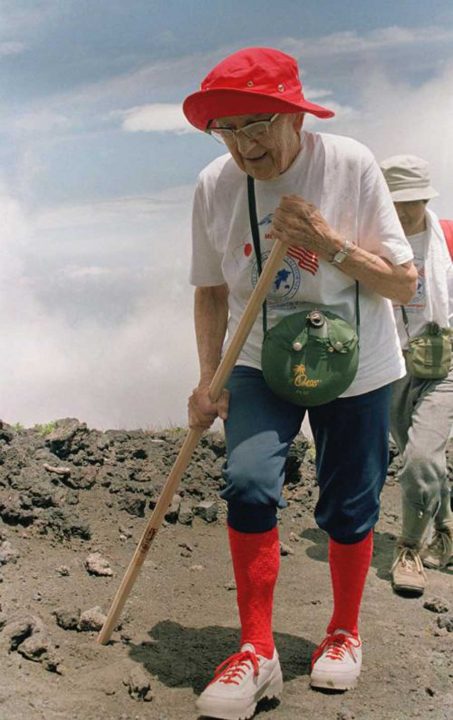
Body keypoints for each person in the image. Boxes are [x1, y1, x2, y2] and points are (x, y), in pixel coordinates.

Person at [182, 47, 417, 720]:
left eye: (258, 122)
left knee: (348, 502)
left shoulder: (348, 164)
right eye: (227, 128)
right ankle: (256, 650)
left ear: (293, 115)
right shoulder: (212, 185)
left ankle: (343, 631)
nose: (245, 142)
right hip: (260, 357)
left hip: (358, 361)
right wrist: (207, 379)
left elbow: (402, 284)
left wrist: (324, 238)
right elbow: (210, 289)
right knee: (250, 482)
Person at [380, 155, 453, 597]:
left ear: (426, 197)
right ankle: (445, 529)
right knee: (422, 461)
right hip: (392, 368)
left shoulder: (445, 236)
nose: (405, 211)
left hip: (444, 364)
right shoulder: (375, 242)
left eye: (413, 200)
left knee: (421, 459)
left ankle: (408, 549)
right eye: (397, 202)